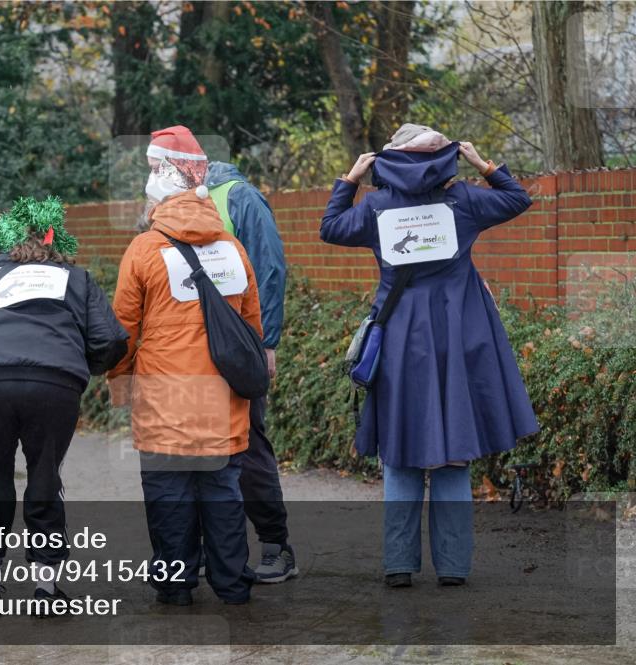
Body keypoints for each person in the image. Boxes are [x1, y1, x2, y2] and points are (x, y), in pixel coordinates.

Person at [320, 124, 539, 587]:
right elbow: (519, 199)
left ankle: (399, 565)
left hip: (401, 338)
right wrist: (486, 165)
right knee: (455, 452)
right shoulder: (464, 200)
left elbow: (330, 228)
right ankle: (454, 568)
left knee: (400, 451)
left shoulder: (376, 207)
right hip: (461, 335)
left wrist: (350, 180)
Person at [0, 195, 127, 609]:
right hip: (54, 385)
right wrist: (78, 365)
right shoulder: (77, 279)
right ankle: (45, 588)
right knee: (45, 477)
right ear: (57, 240)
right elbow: (112, 340)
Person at [108, 138, 262, 606]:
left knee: (169, 499)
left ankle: (175, 588)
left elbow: (123, 332)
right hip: (223, 400)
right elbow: (251, 325)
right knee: (223, 495)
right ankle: (233, 586)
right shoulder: (233, 247)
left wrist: (120, 385)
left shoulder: (143, 249)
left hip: (163, 403)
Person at [199, 132, 296, 583]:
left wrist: (267, 341)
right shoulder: (169, 206)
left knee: (249, 446)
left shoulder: (239, 198)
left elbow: (270, 268)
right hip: (190, 353)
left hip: (239, 347)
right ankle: (204, 550)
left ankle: (276, 546)